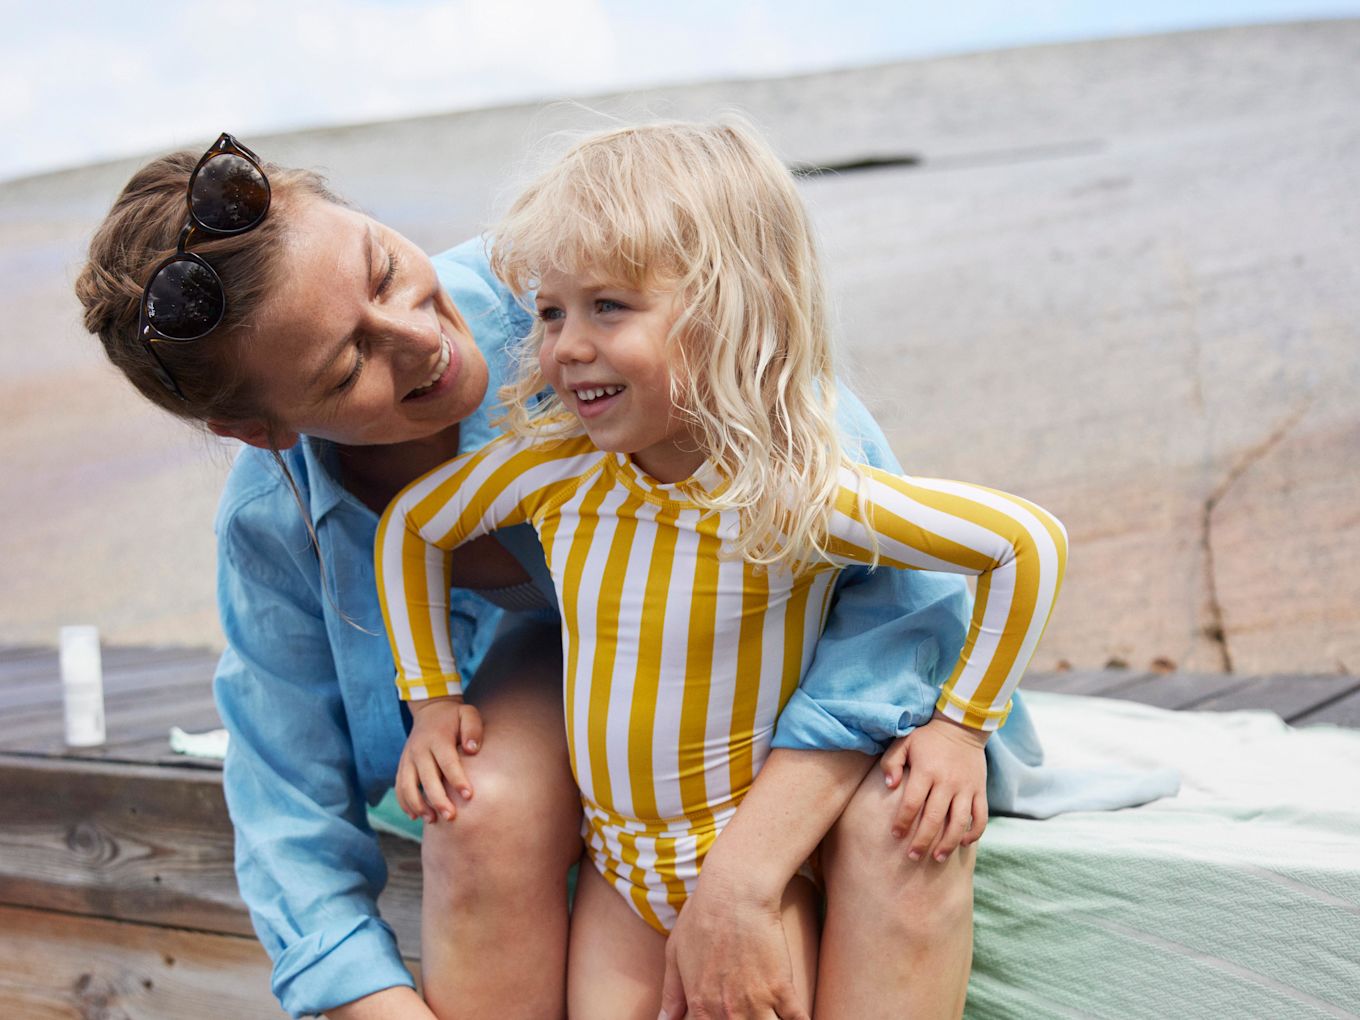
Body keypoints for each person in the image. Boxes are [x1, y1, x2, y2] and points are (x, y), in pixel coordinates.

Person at [74, 131, 991, 1020]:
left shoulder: (577, 285)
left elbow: (906, 588)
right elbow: (284, 794)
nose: (417, 338)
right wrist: (369, 999)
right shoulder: (273, 519)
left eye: (385, 270)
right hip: (579, 693)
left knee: (906, 827)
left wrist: (744, 876)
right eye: (350, 362)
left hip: (801, 660)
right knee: (478, 804)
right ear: (261, 431)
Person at [374, 119, 1067, 1018]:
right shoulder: (553, 469)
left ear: (728, 307)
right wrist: (431, 700)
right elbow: (411, 529)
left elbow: (1026, 544)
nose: (566, 347)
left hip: (752, 875)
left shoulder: (794, 496)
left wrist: (961, 729)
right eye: (551, 312)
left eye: (608, 307)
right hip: (619, 874)